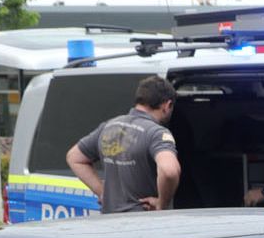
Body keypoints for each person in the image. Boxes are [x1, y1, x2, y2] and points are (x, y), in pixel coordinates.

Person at [68, 76, 182, 213]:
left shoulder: (109, 126)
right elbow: (169, 171)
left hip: (111, 223)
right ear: (167, 105)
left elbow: (74, 157)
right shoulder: (156, 133)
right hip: (144, 226)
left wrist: (103, 193)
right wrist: (161, 204)